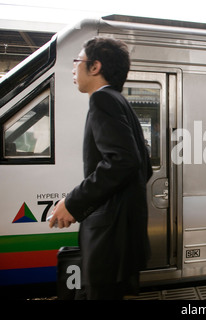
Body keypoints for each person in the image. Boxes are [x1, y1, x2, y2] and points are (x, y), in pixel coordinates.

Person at [49, 37, 152, 300]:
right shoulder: (121, 102)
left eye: (77, 61)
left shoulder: (102, 101)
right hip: (122, 235)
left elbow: (122, 161)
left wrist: (73, 203)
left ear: (95, 67)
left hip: (109, 236)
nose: (73, 69)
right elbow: (143, 165)